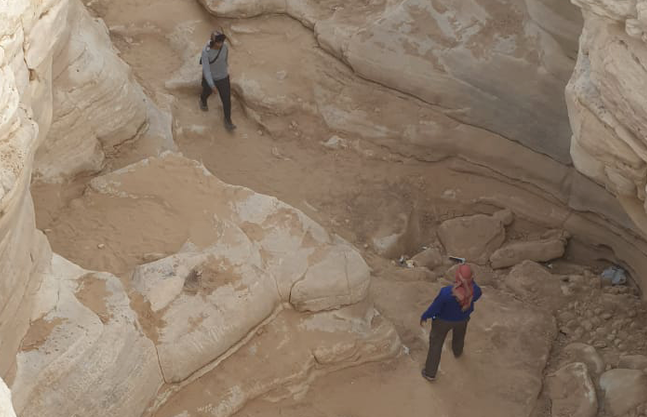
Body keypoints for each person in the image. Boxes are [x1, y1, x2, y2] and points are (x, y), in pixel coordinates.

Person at [419, 264, 482, 382]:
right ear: (471, 278)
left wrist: (425, 316)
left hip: (443, 321)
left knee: (436, 344)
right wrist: (468, 283)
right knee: (459, 336)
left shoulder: (446, 293)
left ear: (457, 277)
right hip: (462, 319)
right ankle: (457, 352)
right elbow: (472, 294)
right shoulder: (476, 291)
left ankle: (430, 373)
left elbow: (435, 308)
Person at [200, 31, 236, 131]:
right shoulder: (205, 52)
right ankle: (202, 100)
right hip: (210, 78)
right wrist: (212, 85)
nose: (220, 44)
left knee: (226, 100)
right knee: (207, 92)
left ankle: (228, 120)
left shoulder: (225, 47)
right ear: (213, 42)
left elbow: (225, 60)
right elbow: (206, 70)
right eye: (218, 42)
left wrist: (226, 70)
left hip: (223, 77)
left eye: (222, 41)